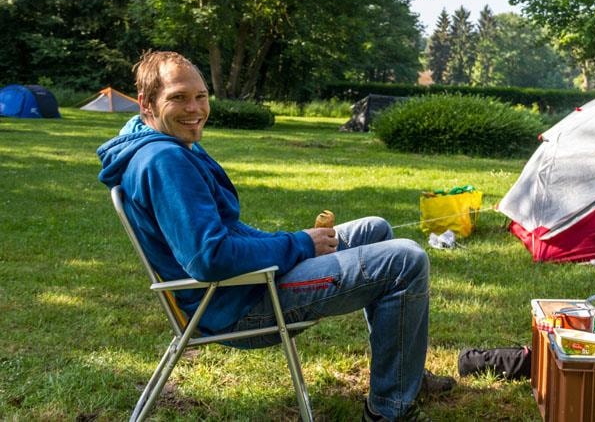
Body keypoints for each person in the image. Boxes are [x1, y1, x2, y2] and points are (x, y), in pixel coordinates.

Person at [97, 51, 454, 421]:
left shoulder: (152, 141)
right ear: (146, 103)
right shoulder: (164, 161)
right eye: (178, 97)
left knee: (374, 229)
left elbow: (221, 235)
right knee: (406, 260)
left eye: (201, 96)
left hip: (241, 286)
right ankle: (390, 411)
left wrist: (291, 243)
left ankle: (403, 377)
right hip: (236, 304)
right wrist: (299, 244)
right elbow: (209, 258)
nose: (195, 108)